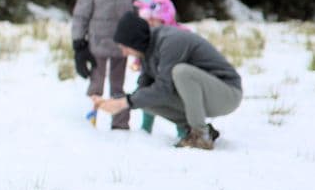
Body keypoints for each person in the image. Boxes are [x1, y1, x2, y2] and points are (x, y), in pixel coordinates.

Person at [94, 11, 243, 150]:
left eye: (125, 47)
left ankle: (200, 135)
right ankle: (192, 130)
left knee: (181, 72)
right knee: (144, 100)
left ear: (135, 40)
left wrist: (124, 103)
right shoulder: (147, 49)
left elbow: (164, 88)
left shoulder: (170, 41)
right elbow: (142, 90)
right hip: (205, 95)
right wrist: (115, 102)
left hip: (227, 93)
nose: (123, 52)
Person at [71, 0, 144, 129]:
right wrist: (78, 43)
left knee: (118, 85)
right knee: (96, 84)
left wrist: (143, 34)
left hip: (122, 46)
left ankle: (120, 123)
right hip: (97, 45)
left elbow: (141, 8)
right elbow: (80, 16)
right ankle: (91, 118)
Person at [125, 0, 180, 133]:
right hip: (152, 73)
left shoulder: (176, 34)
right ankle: (146, 125)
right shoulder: (148, 36)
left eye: (153, 20)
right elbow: (143, 50)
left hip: (174, 76)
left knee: (178, 96)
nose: (150, 24)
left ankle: (183, 127)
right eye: (147, 21)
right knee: (146, 90)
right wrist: (138, 60)